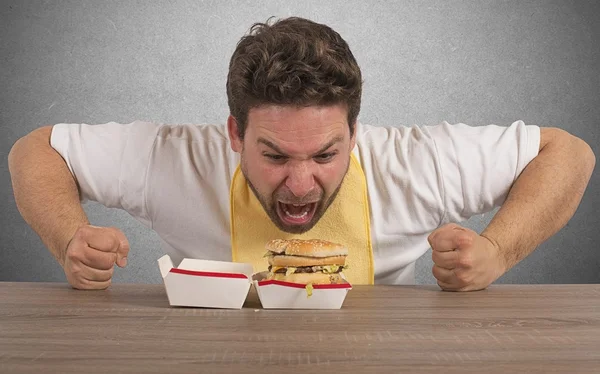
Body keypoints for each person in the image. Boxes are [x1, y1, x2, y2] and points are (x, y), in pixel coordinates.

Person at [8, 17, 596, 292]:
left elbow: (565, 153)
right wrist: (69, 237)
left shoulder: (417, 164)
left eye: (323, 154)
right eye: (274, 155)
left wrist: (496, 250)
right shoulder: (171, 159)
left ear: (355, 132)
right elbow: (37, 150)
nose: (299, 183)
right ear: (234, 135)